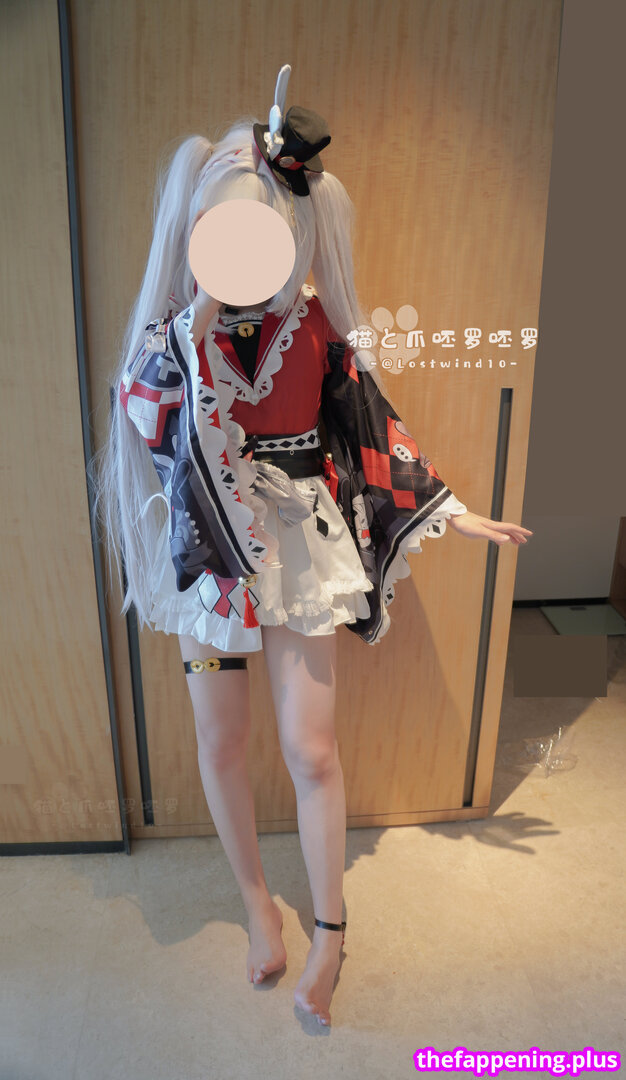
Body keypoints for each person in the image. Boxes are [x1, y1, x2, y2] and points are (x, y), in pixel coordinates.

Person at [91, 65, 532, 1027]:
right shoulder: (174, 335)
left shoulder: (316, 320)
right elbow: (145, 416)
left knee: (311, 746)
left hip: (297, 543)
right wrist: (201, 319)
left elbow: (371, 422)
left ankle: (331, 929)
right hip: (211, 550)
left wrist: (452, 509)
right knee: (220, 737)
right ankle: (258, 904)